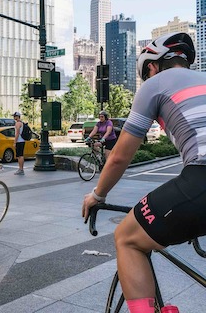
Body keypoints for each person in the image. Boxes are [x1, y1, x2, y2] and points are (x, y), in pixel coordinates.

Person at [82, 32, 205, 313]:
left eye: (145, 74)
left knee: (127, 237)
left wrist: (97, 194)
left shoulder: (156, 85)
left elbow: (119, 157)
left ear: (152, 66)